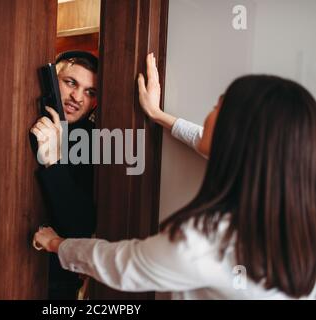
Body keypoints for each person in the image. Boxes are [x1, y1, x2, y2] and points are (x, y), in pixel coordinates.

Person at [33, 55, 316, 299]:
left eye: (218, 105)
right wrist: (156, 114)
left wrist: (56, 244)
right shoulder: (300, 216)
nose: (210, 111)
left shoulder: (207, 243)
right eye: (70, 82)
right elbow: (202, 140)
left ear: (235, 136)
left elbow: (121, 264)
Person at [30, 51, 98, 299]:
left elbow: (80, 226)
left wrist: (54, 161)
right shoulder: (25, 116)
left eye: (90, 92)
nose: (77, 97)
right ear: (51, 80)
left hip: (58, 278)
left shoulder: (94, 140)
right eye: (71, 83)